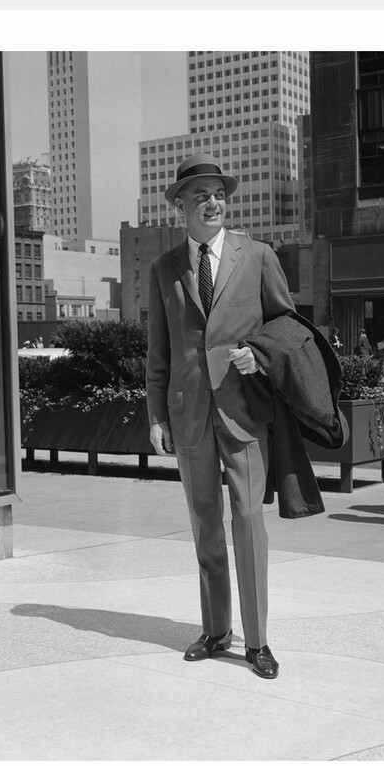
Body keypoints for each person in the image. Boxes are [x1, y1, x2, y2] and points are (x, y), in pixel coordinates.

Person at [146, 154, 296, 680]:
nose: (213, 202)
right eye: (201, 195)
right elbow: (159, 353)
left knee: (250, 521)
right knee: (204, 523)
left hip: (244, 410)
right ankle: (216, 629)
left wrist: (260, 353)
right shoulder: (164, 269)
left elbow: (288, 326)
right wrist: (156, 416)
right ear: (181, 206)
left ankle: (257, 642)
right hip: (188, 416)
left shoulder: (256, 256)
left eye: (219, 194)